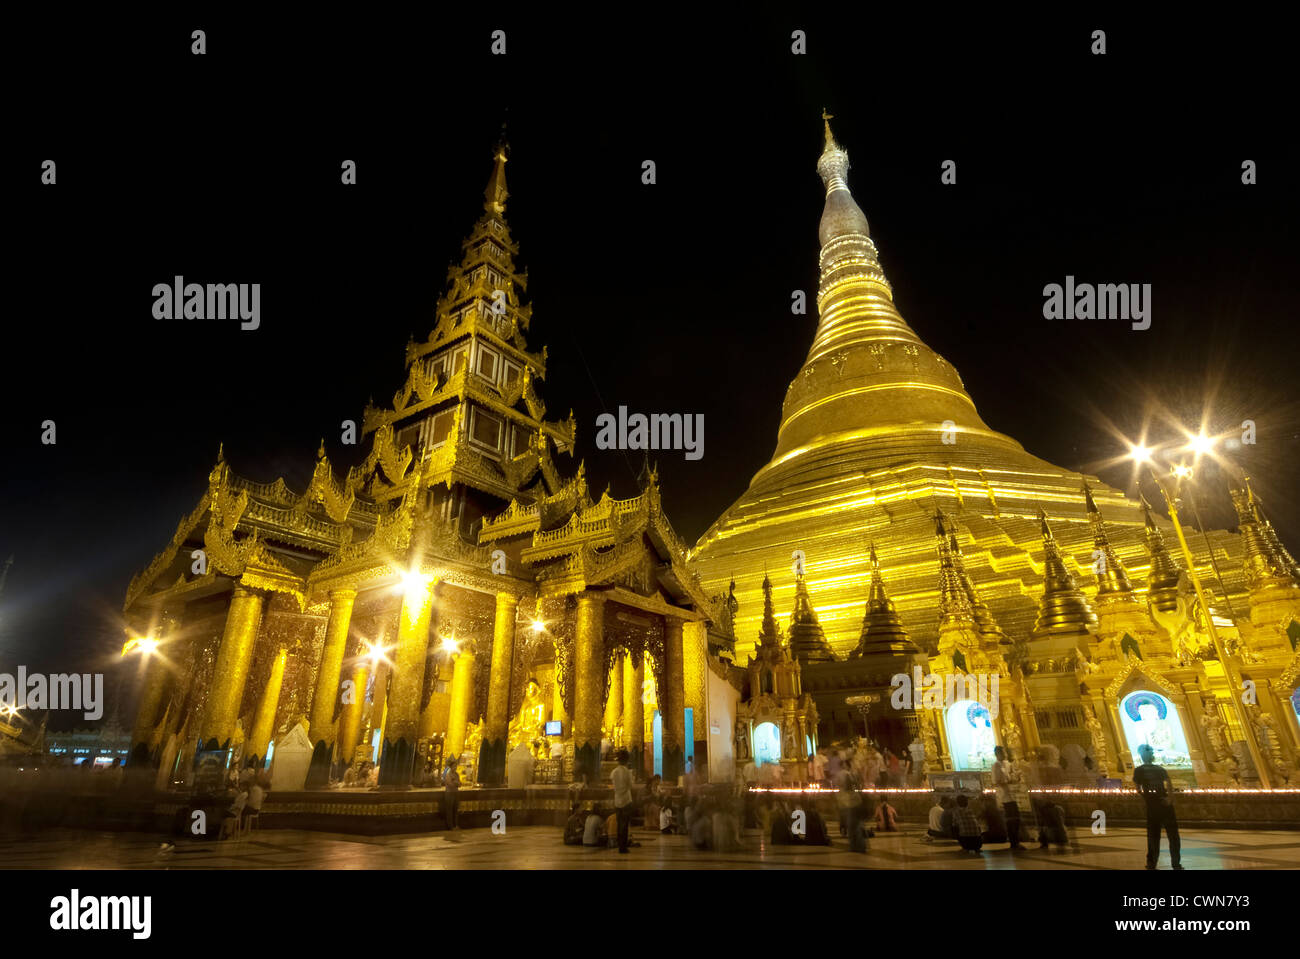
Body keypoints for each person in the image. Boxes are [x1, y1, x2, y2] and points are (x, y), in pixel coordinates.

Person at [1133, 743, 1182, 870]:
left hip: (1153, 805)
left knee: (1154, 836)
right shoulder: (1160, 769)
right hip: (1165, 803)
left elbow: (1138, 789)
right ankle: (1176, 863)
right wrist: (1169, 798)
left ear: (1142, 756)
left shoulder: (1139, 770)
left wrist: (1146, 799)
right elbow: (1169, 783)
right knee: (1173, 835)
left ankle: (1151, 863)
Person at [992, 745, 1025, 850]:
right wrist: (1006, 782)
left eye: (1005, 752)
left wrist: (1017, 777)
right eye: (1002, 752)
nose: (1005, 754)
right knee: (1011, 819)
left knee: (1016, 818)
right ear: (997, 754)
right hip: (1005, 796)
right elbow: (996, 781)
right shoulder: (995, 766)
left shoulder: (1008, 764)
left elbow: (1013, 776)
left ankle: (1017, 840)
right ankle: (1013, 842)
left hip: (1014, 794)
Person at [610, 748, 634, 854]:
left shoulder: (614, 772)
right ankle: (623, 847)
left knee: (619, 824)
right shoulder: (627, 772)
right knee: (625, 825)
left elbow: (613, 785)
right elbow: (630, 785)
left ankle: (620, 845)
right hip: (626, 800)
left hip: (617, 800)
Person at [442, 759, 461, 830]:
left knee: (456, 810)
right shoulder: (447, 775)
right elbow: (450, 784)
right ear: (451, 767)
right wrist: (456, 783)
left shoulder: (457, 774)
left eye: (456, 766)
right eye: (454, 766)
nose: (455, 768)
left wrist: (455, 782)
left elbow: (460, 784)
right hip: (449, 793)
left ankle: (456, 825)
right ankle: (450, 826)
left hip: (456, 793)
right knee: (449, 810)